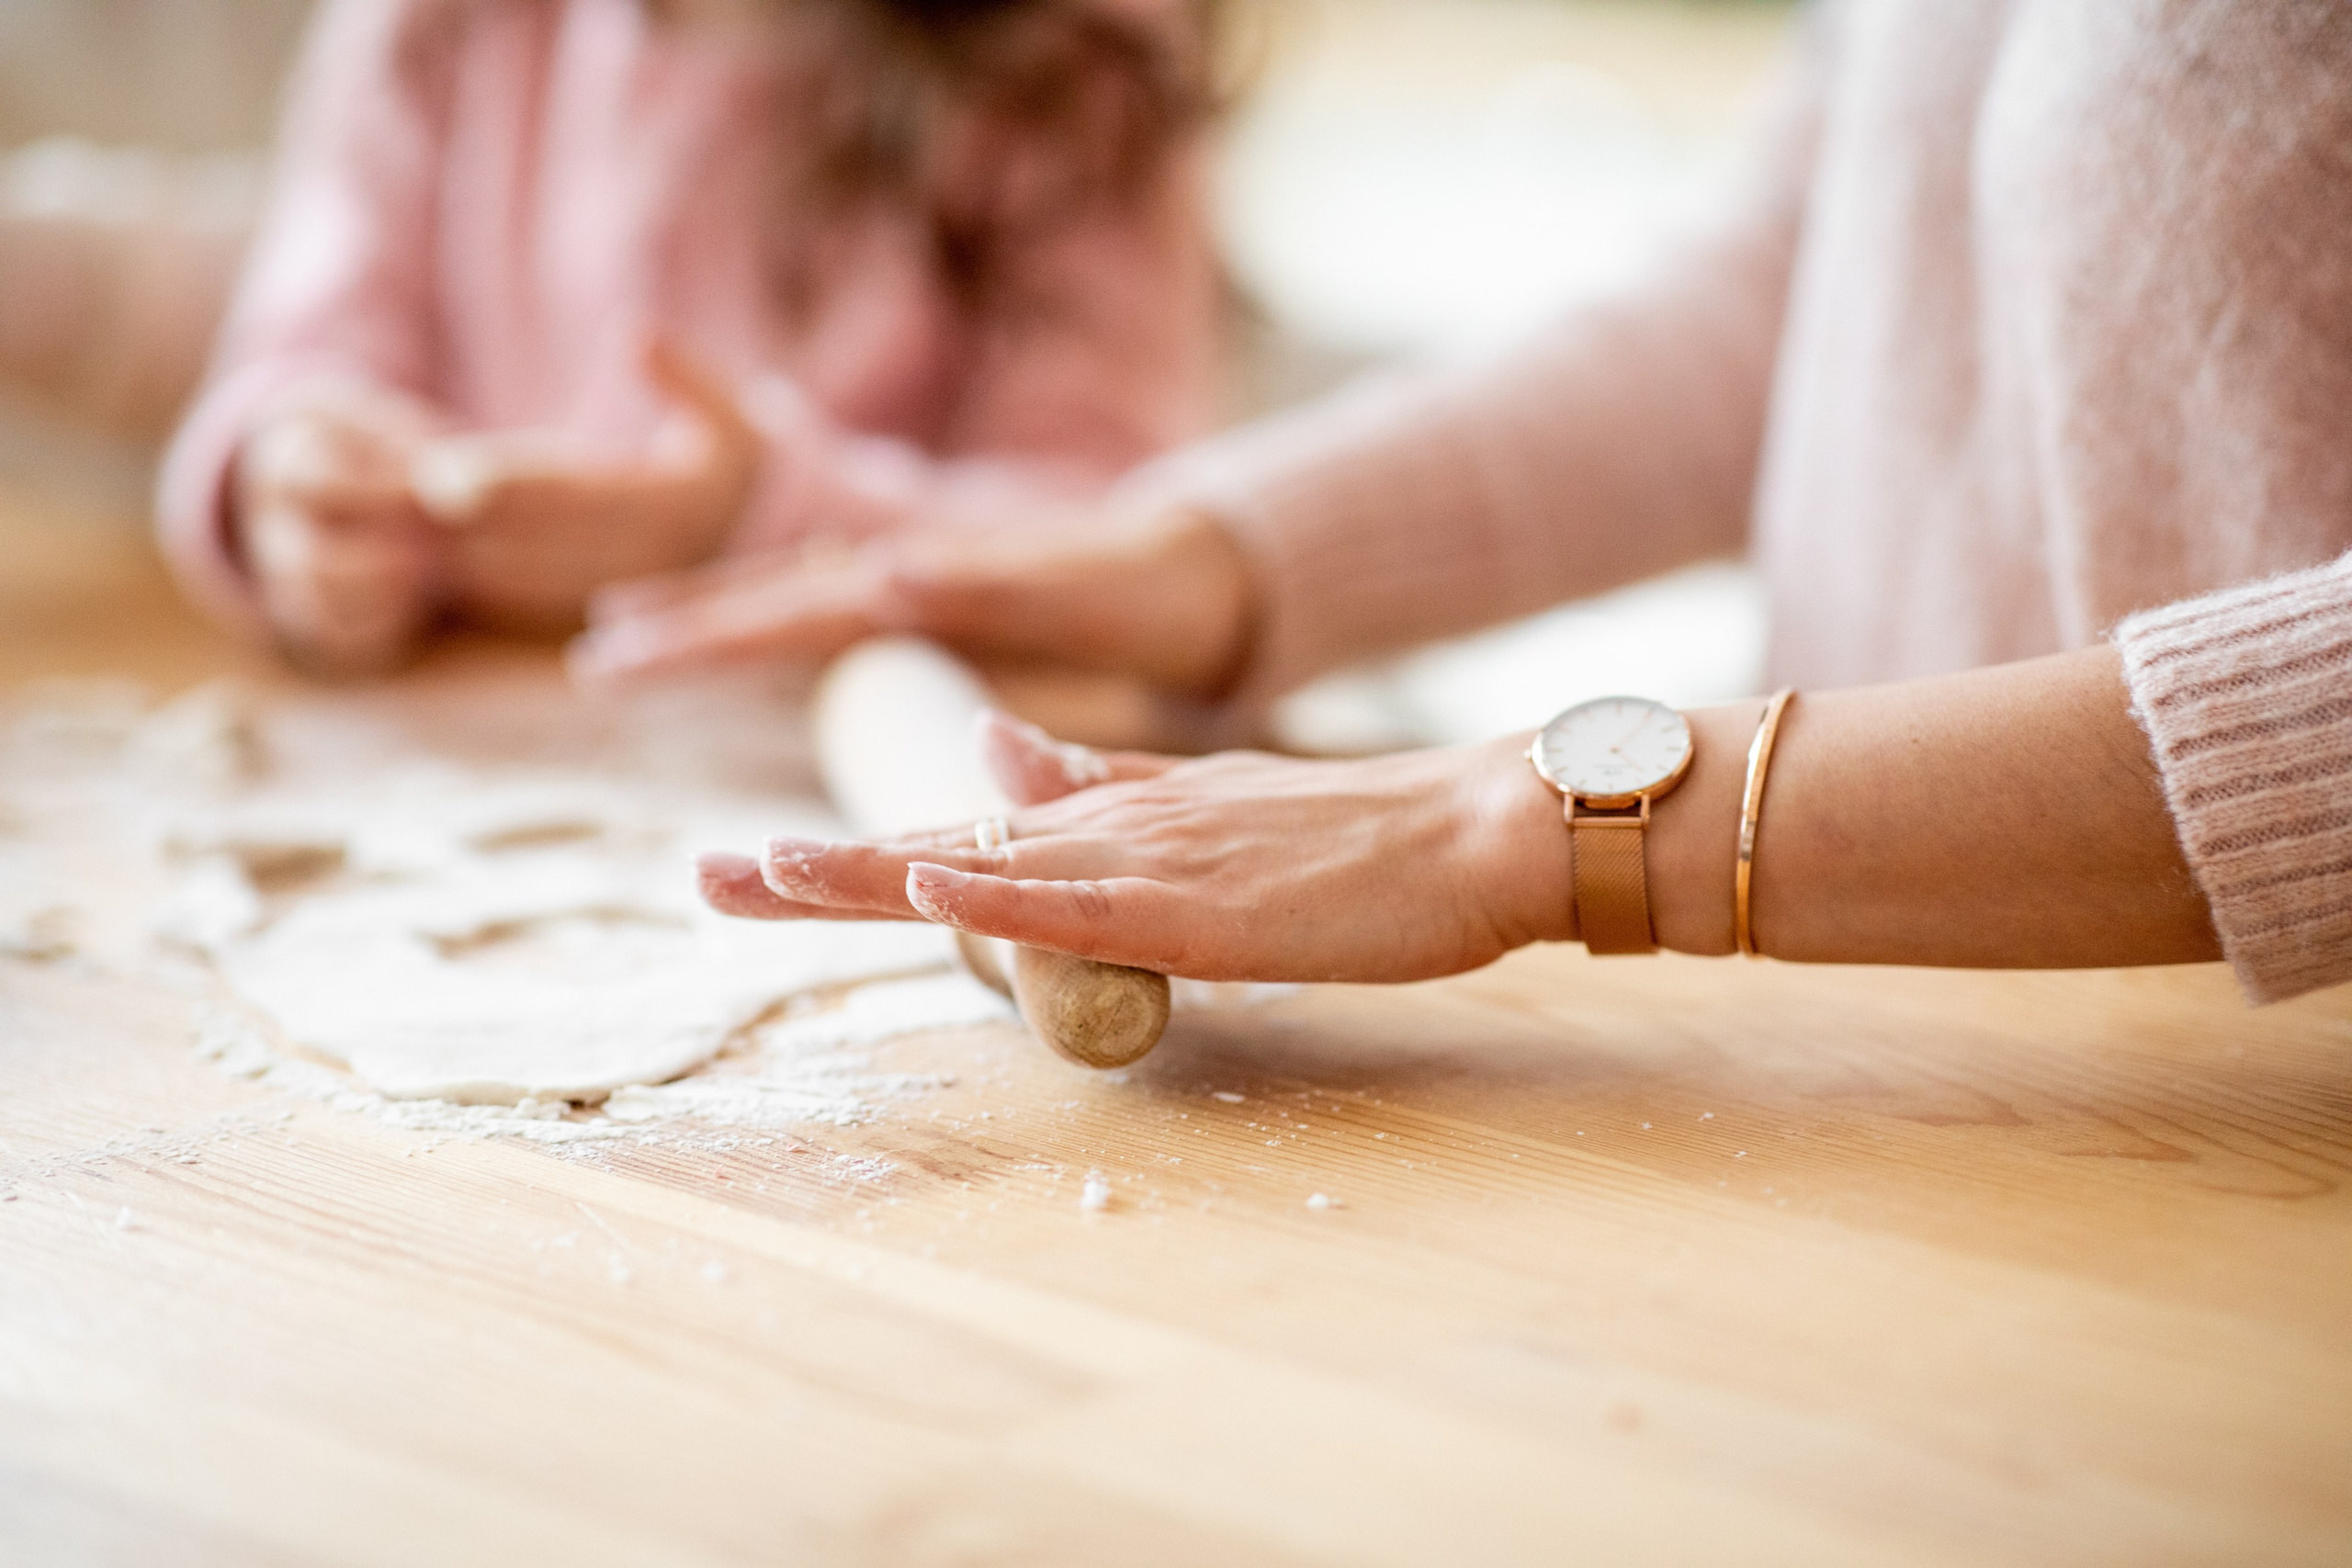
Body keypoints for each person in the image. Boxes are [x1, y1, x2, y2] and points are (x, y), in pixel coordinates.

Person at [582, 1, 2352, 1006]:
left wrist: (1524, 825)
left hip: (2249, 1133)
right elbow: (1815, 282)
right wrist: (1206, 559)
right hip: (1870, 1024)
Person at [157, 0, 1225, 675]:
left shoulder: (1079, 67)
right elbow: (300, 355)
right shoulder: (436, 28)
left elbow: (1126, 546)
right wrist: (294, 481)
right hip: (459, 756)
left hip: (845, 787)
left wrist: (755, 521)